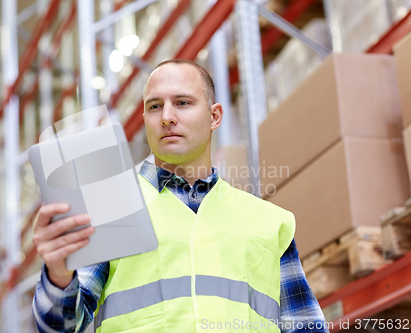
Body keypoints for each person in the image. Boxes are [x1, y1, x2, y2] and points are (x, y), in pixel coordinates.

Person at [32, 59, 329, 333]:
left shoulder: (270, 223)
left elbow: (305, 326)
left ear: (214, 116)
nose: (167, 117)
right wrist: (58, 274)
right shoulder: (109, 209)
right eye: (154, 106)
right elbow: (63, 326)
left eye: (183, 103)